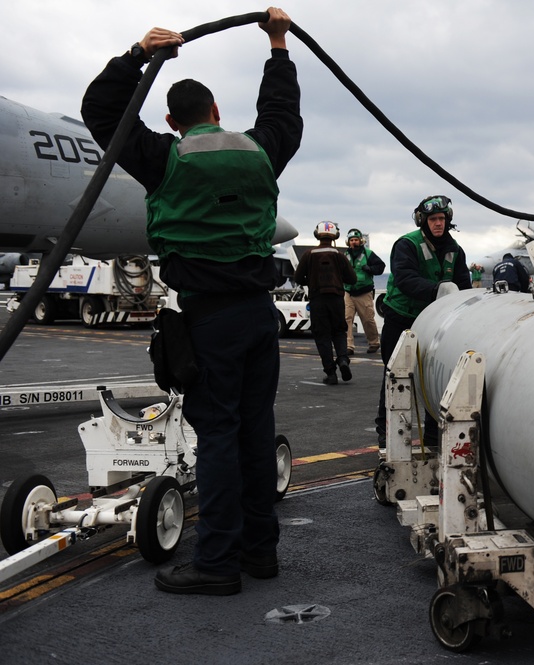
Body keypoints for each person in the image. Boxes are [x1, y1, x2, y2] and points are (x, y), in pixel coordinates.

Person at [81, 8, 302, 595]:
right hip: (261, 315)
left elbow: (100, 112)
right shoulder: (262, 150)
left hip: (208, 320)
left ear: (171, 120)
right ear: (218, 113)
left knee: (219, 438)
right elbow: (283, 111)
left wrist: (137, 55)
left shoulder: (165, 157)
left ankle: (218, 564)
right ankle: (260, 554)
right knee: (256, 433)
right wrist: (277, 43)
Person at [375, 195, 472, 445]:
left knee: (433, 379)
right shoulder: (407, 244)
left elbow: (464, 285)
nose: (438, 223)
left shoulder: (455, 250)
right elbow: (405, 278)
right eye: (433, 219)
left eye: (442, 218)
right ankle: (387, 439)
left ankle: (431, 438)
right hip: (402, 319)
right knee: (396, 376)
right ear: (423, 220)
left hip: (436, 324)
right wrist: (437, 289)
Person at [295, 222, 357, 384]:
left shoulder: (309, 255)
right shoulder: (339, 255)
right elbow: (352, 279)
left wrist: (311, 281)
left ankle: (330, 373)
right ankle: (343, 359)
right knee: (339, 331)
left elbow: (297, 278)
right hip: (337, 299)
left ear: (317, 234)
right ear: (335, 236)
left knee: (322, 335)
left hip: (317, 300)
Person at [343, 228, 385, 355]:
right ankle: (348, 346)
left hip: (364, 292)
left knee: (367, 319)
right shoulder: (345, 255)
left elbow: (381, 267)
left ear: (360, 241)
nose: (354, 242)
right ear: (348, 242)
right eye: (351, 240)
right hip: (349, 292)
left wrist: (370, 269)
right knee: (346, 319)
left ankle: (374, 342)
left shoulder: (368, 254)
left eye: (356, 240)